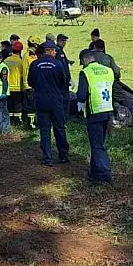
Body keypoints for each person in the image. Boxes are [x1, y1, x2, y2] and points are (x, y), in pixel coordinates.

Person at [28, 41, 69, 166]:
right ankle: (63, 155)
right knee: (59, 128)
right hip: (56, 101)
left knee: (44, 130)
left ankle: (47, 157)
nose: (55, 52)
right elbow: (63, 81)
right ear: (50, 51)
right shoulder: (58, 64)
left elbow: (30, 82)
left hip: (41, 100)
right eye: (54, 50)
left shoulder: (35, 64)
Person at [77, 49, 115, 184]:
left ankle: (105, 173)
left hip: (95, 111)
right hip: (108, 110)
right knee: (98, 143)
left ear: (84, 60)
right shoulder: (108, 70)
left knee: (97, 145)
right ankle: (94, 173)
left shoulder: (86, 72)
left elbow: (81, 95)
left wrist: (80, 103)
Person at [5, 41, 26, 123]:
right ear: (20, 51)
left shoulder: (6, 60)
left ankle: (9, 120)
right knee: (17, 105)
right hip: (17, 87)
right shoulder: (20, 61)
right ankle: (17, 121)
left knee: (9, 104)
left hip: (8, 87)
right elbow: (23, 74)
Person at [55, 33, 73, 122]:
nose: (64, 42)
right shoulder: (58, 51)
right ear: (58, 41)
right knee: (64, 100)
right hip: (62, 82)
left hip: (64, 81)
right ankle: (64, 119)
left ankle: (63, 118)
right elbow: (61, 67)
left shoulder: (60, 51)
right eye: (62, 41)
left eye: (65, 41)